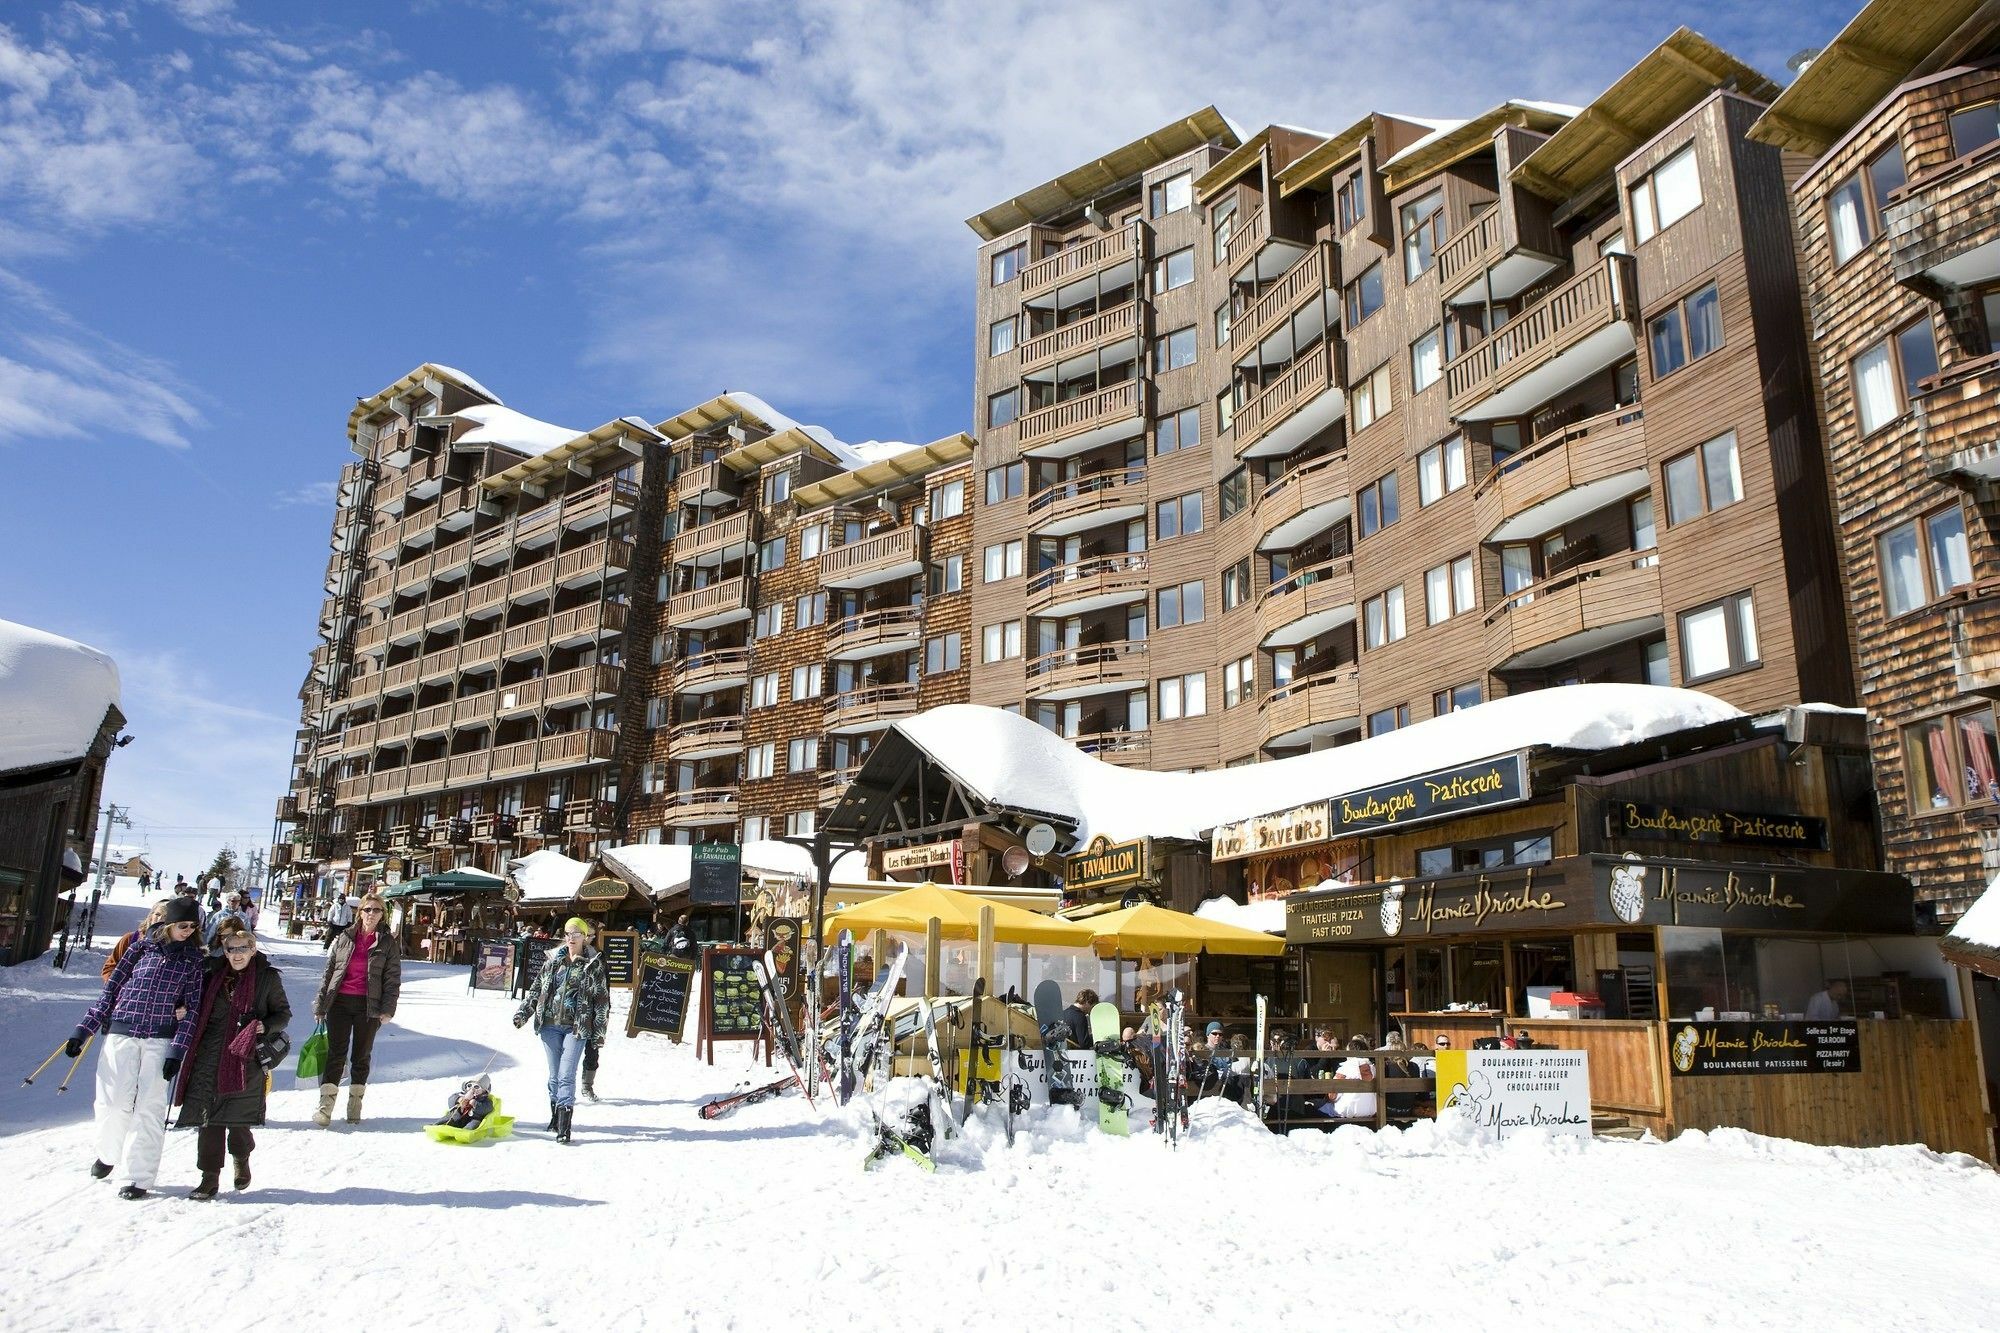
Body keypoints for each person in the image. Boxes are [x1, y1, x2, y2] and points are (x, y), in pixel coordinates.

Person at [66, 895, 207, 1199]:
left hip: (160, 1039)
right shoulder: (138, 949)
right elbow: (111, 992)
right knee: (112, 1102)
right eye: (182, 925)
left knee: (149, 1108)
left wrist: (176, 1050)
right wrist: (83, 1030)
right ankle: (107, 1154)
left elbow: (193, 1009)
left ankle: (139, 1176)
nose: (187, 930)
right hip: (122, 1033)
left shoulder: (193, 961)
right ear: (167, 923)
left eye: (193, 926)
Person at [173, 928, 291, 1199]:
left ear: (252, 949)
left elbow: (283, 1014)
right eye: (231, 949)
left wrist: (266, 1025)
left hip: (244, 1055)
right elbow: (192, 1000)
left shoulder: (267, 978)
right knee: (209, 1118)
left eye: (242, 948)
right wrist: (182, 1008)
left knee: (238, 1118)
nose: (236, 955)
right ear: (224, 951)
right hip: (209, 1052)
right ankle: (209, 1177)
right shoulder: (211, 974)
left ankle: (241, 1157)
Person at [513, 917, 610, 1144]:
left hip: (576, 1028)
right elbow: (537, 989)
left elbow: (602, 1001)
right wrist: (523, 1014)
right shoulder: (553, 961)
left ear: (585, 937)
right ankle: (555, 1117)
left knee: (566, 1075)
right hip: (549, 1026)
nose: (571, 938)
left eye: (576, 934)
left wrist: (598, 1034)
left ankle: (565, 1127)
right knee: (554, 1076)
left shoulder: (593, 963)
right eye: (567, 934)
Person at [311, 892, 402, 1128]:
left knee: (361, 1055)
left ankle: (354, 1105)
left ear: (383, 914)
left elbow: (392, 979)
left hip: (368, 1006)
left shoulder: (387, 942)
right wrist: (321, 1005)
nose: (372, 914)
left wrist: (388, 1008)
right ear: (359, 912)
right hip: (340, 1003)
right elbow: (330, 972)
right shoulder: (345, 937)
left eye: (377, 910)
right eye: (367, 909)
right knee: (335, 1054)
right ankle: (325, 1107)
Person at [103, 900, 170, 980]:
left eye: (166, 916)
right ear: (151, 916)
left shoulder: (176, 944)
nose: (160, 919)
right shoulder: (131, 939)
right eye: (157, 914)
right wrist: (118, 987)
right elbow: (111, 966)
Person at [1321, 1034, 1378, 1122]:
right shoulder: (1373, 1068)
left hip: (1347, 1111)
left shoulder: (1345, 1069)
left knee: (1319, 1106)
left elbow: (1332, 1096)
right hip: (1370, 1110)